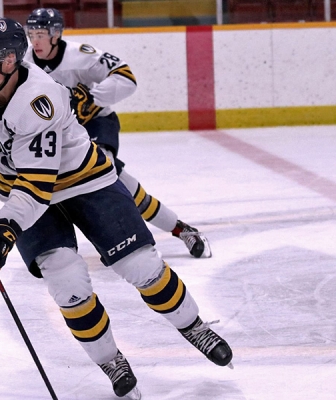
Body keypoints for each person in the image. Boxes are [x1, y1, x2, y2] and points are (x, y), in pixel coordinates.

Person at [0, 17, 232, 399]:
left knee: (141, 266)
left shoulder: (40, 99)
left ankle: (193, 326)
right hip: (24, 192)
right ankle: (110, 360)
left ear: (10, 60)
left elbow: (36, 186)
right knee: (66, 284)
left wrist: (1, 230)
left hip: (85, 183)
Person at [23, 8, 212, 259]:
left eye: (41, 35)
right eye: (31, 35)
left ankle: (127, 235)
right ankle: (179, 228)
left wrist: (92, 100)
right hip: (59, 132)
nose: (35, 41)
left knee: (103, 176)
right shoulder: (24, 63)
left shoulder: (80, 56)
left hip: (95, 124)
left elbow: (125, 76)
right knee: (115, 182)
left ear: (56, 34)